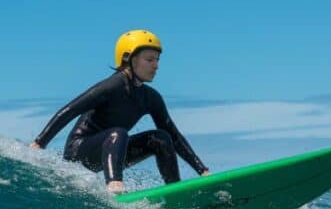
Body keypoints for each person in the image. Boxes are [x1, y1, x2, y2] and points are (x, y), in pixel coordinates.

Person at [30, 29, 210, 194]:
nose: (156, 66)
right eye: (149, 60)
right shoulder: (112, 86)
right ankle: (114, 185)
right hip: (79, 152)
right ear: (128, 59)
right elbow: (69, 111)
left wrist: (202, 170)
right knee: (118, 133)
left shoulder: (151, 97)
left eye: (157, 60)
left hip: (113, 152)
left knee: (162, 138)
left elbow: (174, 136)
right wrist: (39, 144)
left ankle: (174, 190)